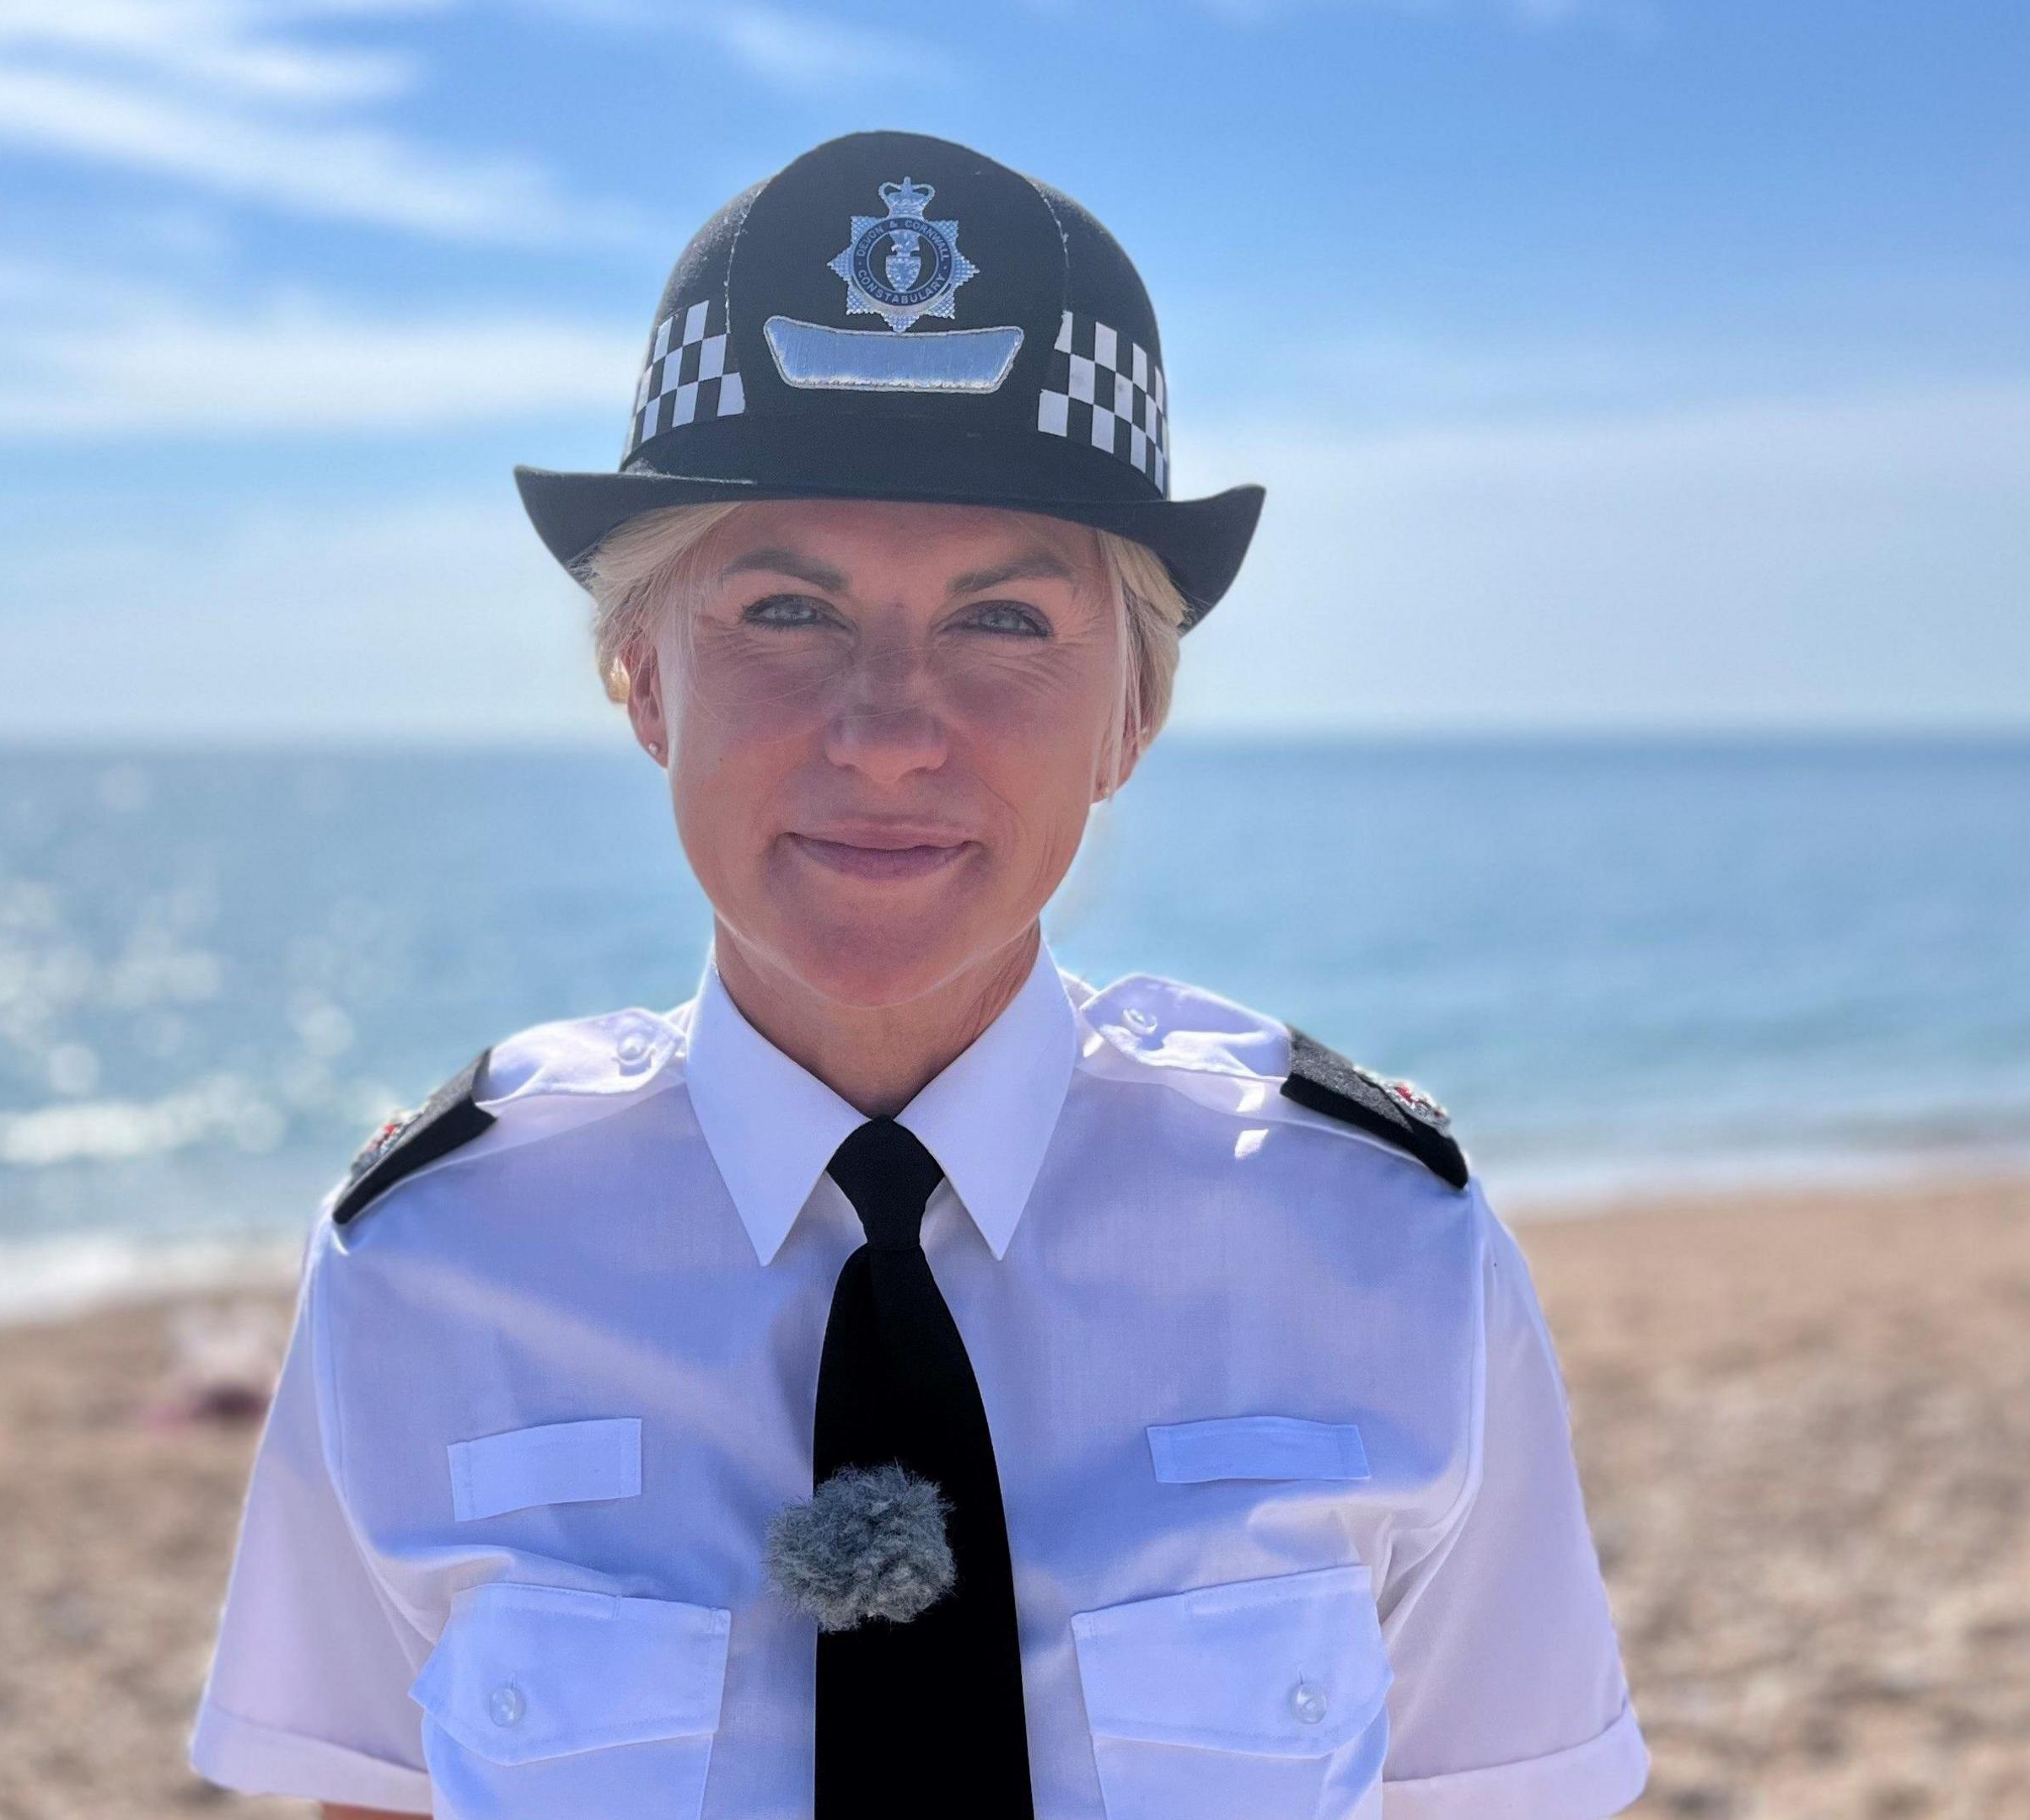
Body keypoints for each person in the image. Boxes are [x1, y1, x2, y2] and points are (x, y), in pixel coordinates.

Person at [186, 130, 1648, 1820]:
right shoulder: (433, 1265)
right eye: (787, 613)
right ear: (641, 680)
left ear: (1136, 712)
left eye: (1004, 621)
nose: (887, 731)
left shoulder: (1375, 1249)